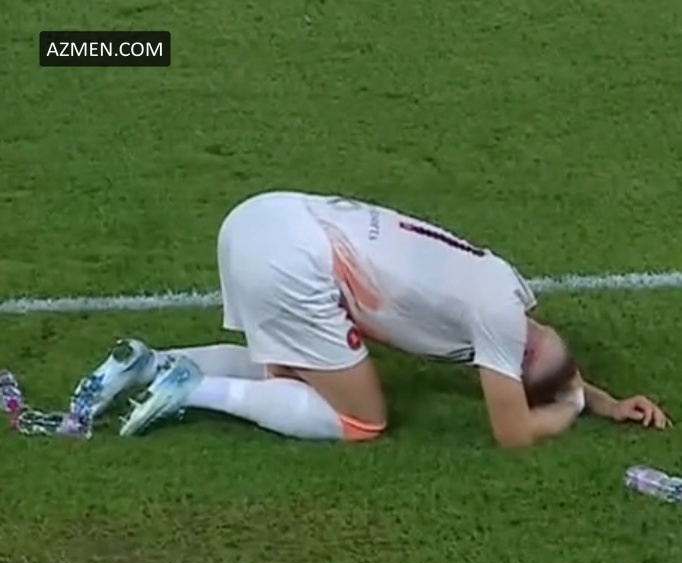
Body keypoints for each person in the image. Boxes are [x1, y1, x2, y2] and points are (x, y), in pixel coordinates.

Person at [71, 191, 670, 446]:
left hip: (262, 217)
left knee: (290, 371)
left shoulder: (503, 287)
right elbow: (512, 433)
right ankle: (194, 388)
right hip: (296, 258)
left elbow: (542, 363)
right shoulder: (500, 322)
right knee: (361, 421)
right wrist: (565, 410)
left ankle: (150, 363)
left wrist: (605, 402)